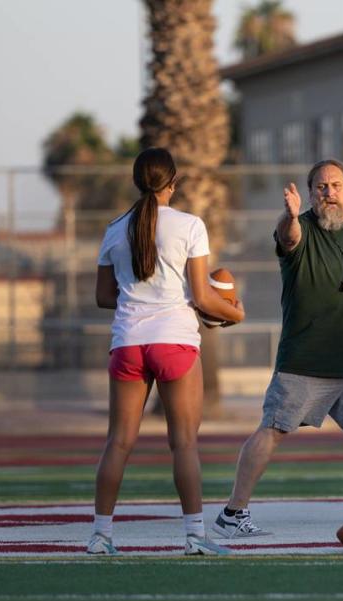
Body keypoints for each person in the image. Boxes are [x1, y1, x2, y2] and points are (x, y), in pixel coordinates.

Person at [214, 159, 343, 538]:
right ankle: (234, 512)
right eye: (320, 187)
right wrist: (290, 215)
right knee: (273, 429)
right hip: (308, 358)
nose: (328, 192)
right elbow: (288, 237)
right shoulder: (301, 228)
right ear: (310, 194)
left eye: (335, 185)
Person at [92, 147, 244, 555]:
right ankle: (195, 536)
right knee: (184, 444)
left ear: (137, 181)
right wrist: (235, 312)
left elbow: (104, 296)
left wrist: (137, 292)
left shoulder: (114, 228)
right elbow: (201, 297)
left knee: (118, 443)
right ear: (173, 183)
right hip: (174, 341)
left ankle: (100, 535)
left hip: (127, 342)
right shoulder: (189, 225)